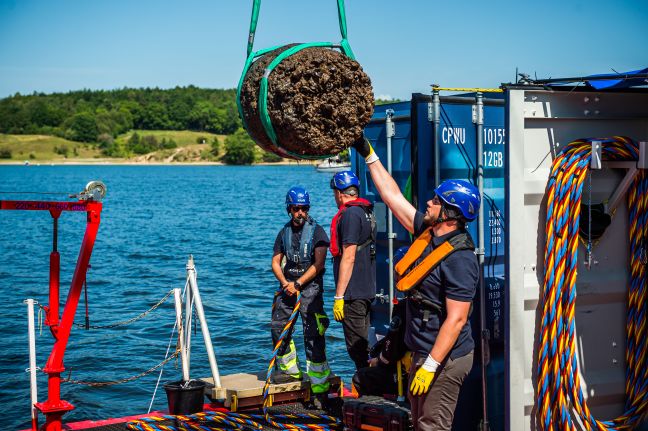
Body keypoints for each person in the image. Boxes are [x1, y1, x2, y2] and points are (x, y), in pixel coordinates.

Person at [353, 138, 480, 431]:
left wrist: (432, 365)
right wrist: (369, 155)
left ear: (450, 213)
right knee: (419, 422)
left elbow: (457, 318)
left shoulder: (460, 259)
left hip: (446, 359)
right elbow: (393, 198)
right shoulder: (429, 232)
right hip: (423, 352)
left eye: (436, 201)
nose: (428, 202)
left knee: (431, 426)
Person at [271, 186, 331, 399]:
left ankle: (319, 383)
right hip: (288, 286)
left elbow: (319, 264)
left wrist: (298, 285)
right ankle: (290, 371)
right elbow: (276, 262)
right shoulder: (283, 233)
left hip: (310, 288)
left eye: (304, 208)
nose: (301, 213)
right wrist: (285, 283)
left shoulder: (318, 232)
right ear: (289, 208)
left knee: (313, 332)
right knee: (278, 325)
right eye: (297, 208)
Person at [329, 171, 377, 372]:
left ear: (340, 193)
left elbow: (348, 256)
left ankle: (367, 388)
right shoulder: (365, 211)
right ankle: (368, 383)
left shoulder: (349, 214)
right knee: (364, 343)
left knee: (357, 348)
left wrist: (339, 296)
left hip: (353, 292)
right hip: (366, 288)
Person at [352, 298, 409, 397]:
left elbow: (391, 353)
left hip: (405, 377)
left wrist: (378, 360)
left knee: (361, 377)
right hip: (431, 371)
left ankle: (375, 407)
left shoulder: (403, 308)